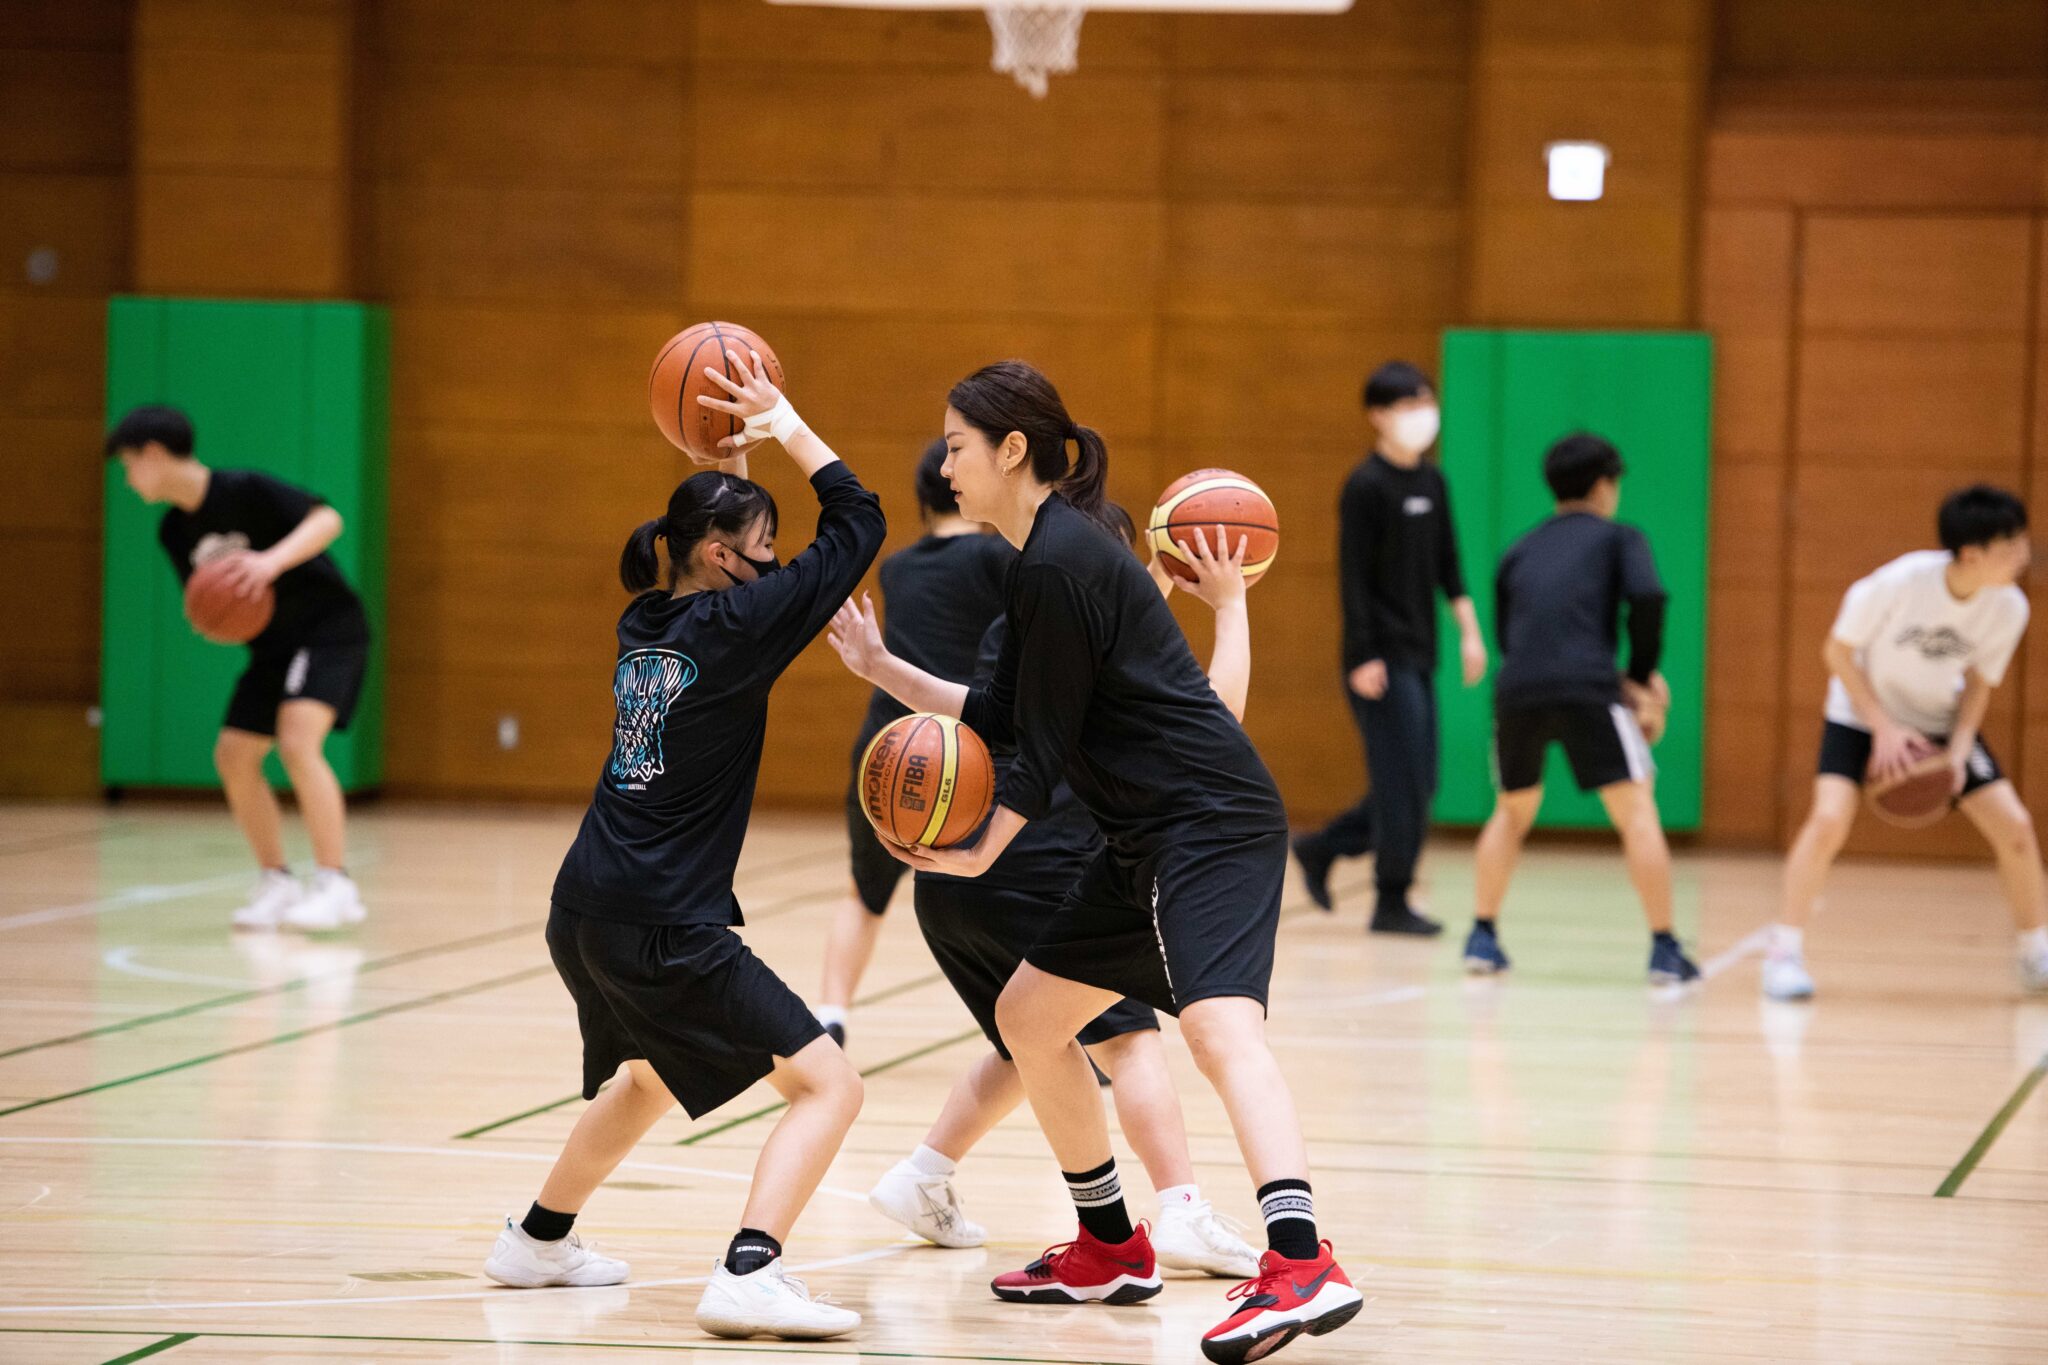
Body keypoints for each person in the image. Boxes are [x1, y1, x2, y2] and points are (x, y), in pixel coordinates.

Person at [830, 360, 1361, 1365]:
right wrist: (883, 672)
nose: (943, 464)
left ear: (1011, 450)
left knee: (1217, 1031)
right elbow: (1007, 716)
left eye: (955, 445)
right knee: (1029, 1017)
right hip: (1141, 833)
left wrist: (975, 850)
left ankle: (1299, 1261)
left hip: (1205, 820)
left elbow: (1035, 752)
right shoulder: (1039, 563)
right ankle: (1111, 1245)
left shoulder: (1060, 561)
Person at [482, 350, 883, 1343]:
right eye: (762, 541)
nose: (777, 557)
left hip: (584, 908)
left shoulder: (646, 616)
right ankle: (751, 1269)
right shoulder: (743, 623)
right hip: (663, 920)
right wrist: (783, 419)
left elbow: (742, 540)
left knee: (650, 1073)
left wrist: (731, 462)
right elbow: (861, 517)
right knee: (831, 1084)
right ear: (716, 553)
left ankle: (537, 1241)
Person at [841, 510, 1258, 1280]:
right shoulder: (1097, 633)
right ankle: (1183, 1209)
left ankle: (925, 1172)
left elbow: (972, 701)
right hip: (1043, 867)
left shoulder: (1028, 616)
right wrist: (1230, 606)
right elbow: (1217, 722)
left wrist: (882, 670)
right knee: (1130, 1039)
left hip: (957, 884)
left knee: (1032, 1038)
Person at [1762, 485, 2048, 1001]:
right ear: (1970, 553)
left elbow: (1981, 683)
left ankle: (2036, 950)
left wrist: (1959, 751)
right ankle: (1784, 951)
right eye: (2011, 547)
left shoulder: (2009, 608)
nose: (2024, 556)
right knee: (1828, 821)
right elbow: (1837, 653)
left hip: (1940, 720)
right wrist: (1883, 728)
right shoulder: (1897, 583)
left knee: (2018, 829)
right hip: (1859, 713)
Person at [108, 404, 373, 932]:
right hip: (273, 646)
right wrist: (213, 616)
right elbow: (219, 602)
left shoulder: (244, 490)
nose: (127, 478)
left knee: (298, 743)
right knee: (234, 754)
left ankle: (335, 883)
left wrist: (269, 562)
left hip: (327, 630)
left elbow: (328, 519)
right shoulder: (173, 532)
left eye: (128, 464)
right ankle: (276, 881)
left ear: (156, 454)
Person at [1459, 434, 1700, 985]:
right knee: (1636, 811)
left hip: (1517, 686)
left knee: (1512, 810)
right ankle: (1665, 948)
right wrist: (1638, 676)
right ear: (1603, 485)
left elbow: (1509, 634)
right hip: (1588, 687)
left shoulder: (1517, 549)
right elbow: (1650, 597)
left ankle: (1482, 935)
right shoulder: (1621, 538)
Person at [819, 440, 1011, 1050]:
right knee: (1019, 898)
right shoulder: (1000, 560)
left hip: (887, 745)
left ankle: (830, 1014)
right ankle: (1073, 1029)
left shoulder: (897, 566)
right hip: (967, 754)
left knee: (864, 892)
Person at [1291, 361, 1486, 934]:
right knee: (1402, 782)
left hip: (1422, 652)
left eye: (1423, 401)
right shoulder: (1366, 485)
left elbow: (1449, 564)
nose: (1420, 414)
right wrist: (1364, 655)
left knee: (1421, 783)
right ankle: (1391, 898)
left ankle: (1324, 847)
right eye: (1405, 405)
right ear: (1377, 415)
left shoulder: (1433, 481)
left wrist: (1470, 632)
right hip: (1378, 656)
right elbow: (1352, 578)